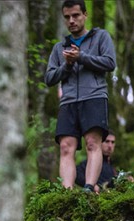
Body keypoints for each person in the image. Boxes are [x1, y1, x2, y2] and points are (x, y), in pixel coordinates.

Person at [44, 0, 116, 192]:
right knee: (66, 147)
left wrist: (81, 57)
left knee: (93, 143)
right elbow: (49, 78)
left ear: (85, 14)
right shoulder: (59, 48)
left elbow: (110, 63)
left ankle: (89, 187)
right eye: (67, 17)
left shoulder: (101, 37)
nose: (72, 21)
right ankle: (67, 193)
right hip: (67, 101)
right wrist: (67, 65)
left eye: (76, 15)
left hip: (94, 96)